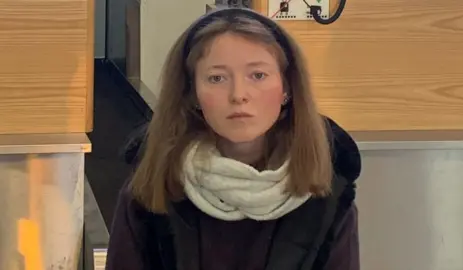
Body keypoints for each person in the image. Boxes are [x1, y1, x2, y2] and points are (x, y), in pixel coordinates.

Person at [106, 7, 362, 270]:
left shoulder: (329, 195)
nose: (238, 94)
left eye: (258, 75)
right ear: (192, 93)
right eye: (217, 78)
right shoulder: (151, 187)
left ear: (287, 87)